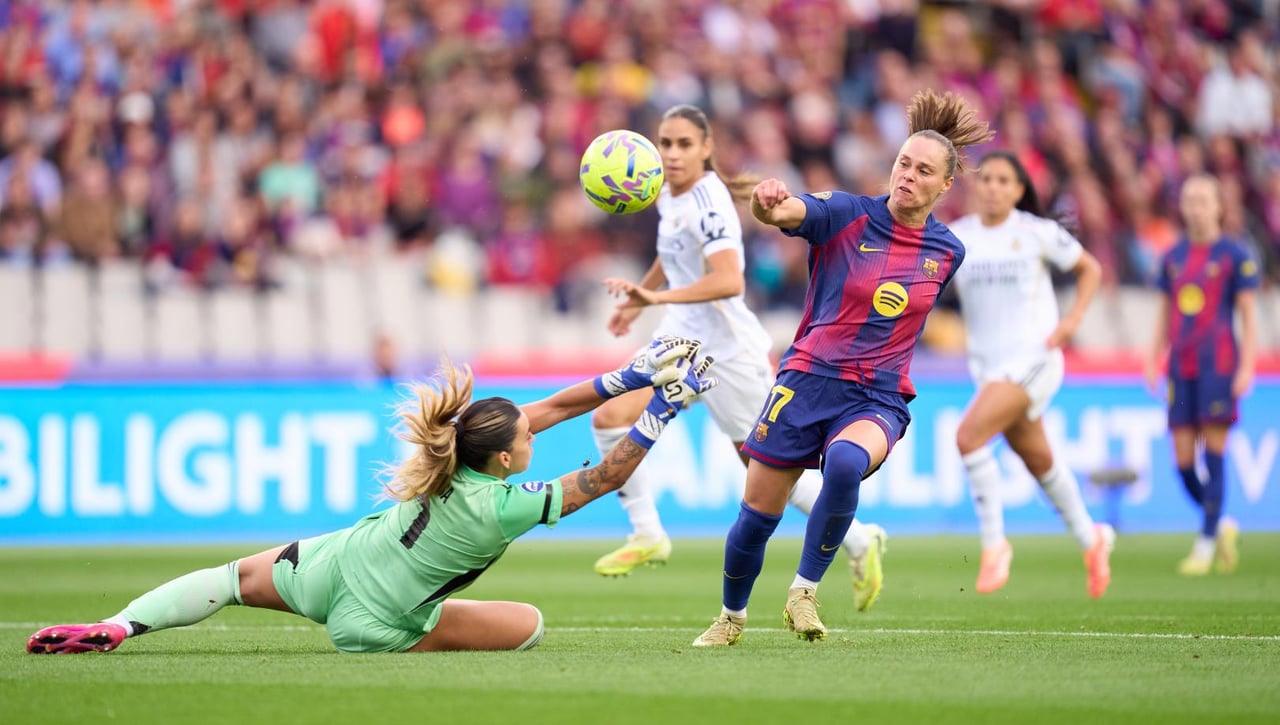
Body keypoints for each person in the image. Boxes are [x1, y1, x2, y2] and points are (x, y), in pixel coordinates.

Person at [27, 340, 716, 655]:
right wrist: (663, 406)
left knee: (230, 578)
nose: (533, 435)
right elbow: (604, 476)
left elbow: (556, 407)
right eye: (524, 438)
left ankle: (118, 625)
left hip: (333, 565)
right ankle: (420, 628)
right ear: (504, 458)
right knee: (529, 624)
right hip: (376, 624)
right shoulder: (501, 503)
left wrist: (629, 372)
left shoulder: (444, 452)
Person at [691, 90, 994, 647]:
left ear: (946, 185)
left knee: (847, 462)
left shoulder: (948, 251)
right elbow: (782, 212)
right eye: (903, 162)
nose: (907, 175)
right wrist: (767, 201)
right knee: (758, 515)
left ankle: (803, 593)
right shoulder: (846, 214)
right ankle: (731, 617)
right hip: (806, 381)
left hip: (877, 396)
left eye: (923, 170)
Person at [594, 104, 889, 612]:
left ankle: (860, 540)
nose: (672, 153)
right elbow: (672, 249)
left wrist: (655, 300)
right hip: (680, 336)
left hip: (726, 351)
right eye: (665, 143)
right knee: (609, 417)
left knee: (762, 468)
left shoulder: (710, 204)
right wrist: (640, 296)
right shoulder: (666, 191)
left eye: (684, 144)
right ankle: (647, 533)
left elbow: (729, 280)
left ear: (707, 148)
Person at [947, 151, 1113, 598]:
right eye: (987, 180)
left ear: (1019, 190)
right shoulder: (957, 238)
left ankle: (994, 544)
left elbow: (1090, 269)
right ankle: (1091, 538)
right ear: (975, 187)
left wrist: (1072, 321)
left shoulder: (1036, 233)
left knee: (968, 437)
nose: (993, 187)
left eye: (1004, 180)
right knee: (1040, 462)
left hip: (1035, 358)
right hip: (988, 367)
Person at [1144, 174, 1258, 577]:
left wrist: (1247, 366)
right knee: (1182, 464)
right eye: (1189, 199)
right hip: (1181, 367)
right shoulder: (1172, 257)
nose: (1195, 207)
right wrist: (1152, 358)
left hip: (1220, 364)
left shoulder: (1234, 254)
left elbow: (1247, 313)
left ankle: (1206, 545)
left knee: (1214, 453)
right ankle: (1221, 525)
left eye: (1202, 200)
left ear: (1218, 206)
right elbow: (1164, 312)